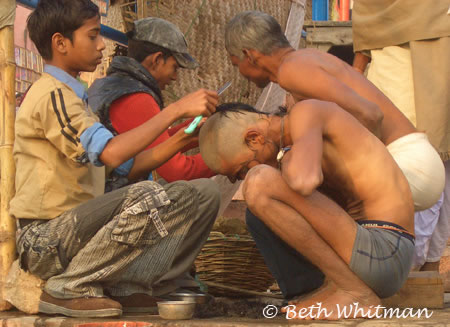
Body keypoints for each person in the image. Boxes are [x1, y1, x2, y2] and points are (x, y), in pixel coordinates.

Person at [9, 0, 219, 318]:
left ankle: (126, 285)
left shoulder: (77, 98)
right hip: (44, 241)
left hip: (76, 235)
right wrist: (176, 111)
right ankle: (68, 287)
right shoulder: (52, 95)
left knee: (188, 196)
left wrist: (181, 139)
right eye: (93, 36)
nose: (101, 45)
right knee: (148, 194)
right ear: (60, 43)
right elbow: (112, 152)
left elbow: (125, 166)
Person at [224, 11, 445, 297]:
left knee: (292, 189)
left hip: (407, 161)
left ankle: (346, 287)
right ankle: (342, 284)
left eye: (235, 64)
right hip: (415, 158)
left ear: (249, 55)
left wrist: (356, 162)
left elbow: (370, 115)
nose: (238, 73)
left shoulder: (293, 71)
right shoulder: (304, 62)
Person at [199, 102, 415, 320]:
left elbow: (305, 181)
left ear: (254, 138)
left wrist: (284, 159)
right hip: (363, 253)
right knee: (256, 214)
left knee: (259, 183)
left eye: (242, 170)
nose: (244, 177)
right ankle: (325, 289)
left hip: (386, 251)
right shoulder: (296, 143)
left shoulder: (305, 114)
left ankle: (355, 292)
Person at [352, 0, 450, 272]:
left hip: (437, 48)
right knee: (411, 163)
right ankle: (413, 266)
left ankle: (420, 268)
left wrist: (357, 69)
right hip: (393, 63)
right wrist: (357, 68)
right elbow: (368, 22)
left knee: (432, 163)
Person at [88, 17, 217, 189]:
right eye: (174, 67)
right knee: (205, 192)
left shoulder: (115, 84)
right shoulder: (135, 98)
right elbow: (180, 171)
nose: (175, 77)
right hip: (110, 198)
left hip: (101, 190)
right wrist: (228, 153)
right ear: (156, 60)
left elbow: (156, 142)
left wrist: (199, 128)